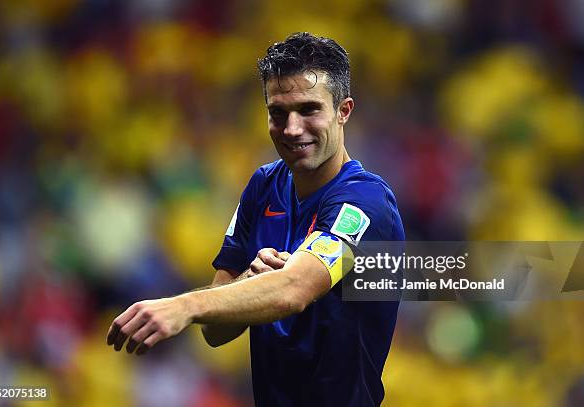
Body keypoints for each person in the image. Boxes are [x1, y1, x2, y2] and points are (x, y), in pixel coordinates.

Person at [107, 32, 405, 406]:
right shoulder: (263, 186)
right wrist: (250, 279)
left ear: (343, 111)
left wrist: (183, 305)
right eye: (278, 112)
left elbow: (296, 291)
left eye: (310, 109)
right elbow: (215, 332)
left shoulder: (365, 203)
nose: (292, 129)